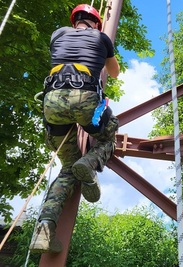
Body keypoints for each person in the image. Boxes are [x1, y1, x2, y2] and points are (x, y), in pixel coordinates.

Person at [29, 4, 120, 253]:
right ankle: (89, 163)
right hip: (85, 101)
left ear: (74, 21)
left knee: (66, 169)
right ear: (97, 24)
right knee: (109, 134)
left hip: (52, 102)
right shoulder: (101, 37)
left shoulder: (58, 34)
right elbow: (114, 73)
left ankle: (44, 229)